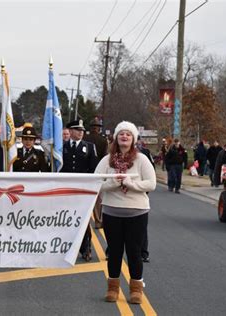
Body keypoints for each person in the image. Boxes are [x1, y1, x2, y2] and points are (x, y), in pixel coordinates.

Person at [95, 121, 156, 304]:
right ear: (116, 137)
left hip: (136, 212)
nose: (124, 137)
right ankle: (112, 288)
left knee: (134, 252)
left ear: (133, 139)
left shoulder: (141, 159)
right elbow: (96, 184)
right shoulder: (107, 160)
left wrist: (131, 184)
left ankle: (136, 289)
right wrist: (113, 183)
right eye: (121, 133)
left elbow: (151, 184)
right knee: (114, 251)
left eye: (128, 134)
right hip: (112, 212)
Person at [62, 119, 98, 261]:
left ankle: (86, 248)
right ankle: (67, 248)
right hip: (66, 190)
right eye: (77, 130)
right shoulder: (62, 147)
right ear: (70, 131)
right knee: (66, 220)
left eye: (82, 130)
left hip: (83, 190)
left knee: (83, 221)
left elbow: (94, 169)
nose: (81, 133)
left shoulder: (89, 147)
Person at [84, 117, 109, 229]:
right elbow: (105, 156)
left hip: (86, 171)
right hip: (98, 171)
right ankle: (98, 221)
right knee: (98, 198)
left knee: (84, 196)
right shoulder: (103, 140)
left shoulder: (85, 138)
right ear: (99, 128)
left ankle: (83, 221)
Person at [136, 136, 155, 263]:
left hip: (140, 192)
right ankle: (112, 251)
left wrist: (145, 190)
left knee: (141, 226)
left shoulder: (145, 153)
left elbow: (151, 169)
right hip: (120, 194)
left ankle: (143, 252)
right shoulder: (117, 154)